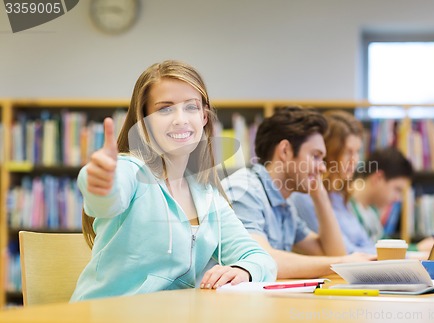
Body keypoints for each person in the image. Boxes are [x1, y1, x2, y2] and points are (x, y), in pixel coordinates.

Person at [71, 60, 276, 301]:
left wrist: (243, 271)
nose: (181, 119)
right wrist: (99, 182)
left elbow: (261, 258)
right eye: (165, 109)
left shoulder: (207, 195)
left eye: (191, 107)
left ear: (204, 117)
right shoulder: (132, 170)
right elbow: (108, 198)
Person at [222, 106, 374, 279]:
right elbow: (261, 261)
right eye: (315, 156)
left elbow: (331, 253)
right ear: (285, 151)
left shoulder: (285, 206)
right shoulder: (245, 189)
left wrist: (320, 197)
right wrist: (341, 263)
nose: (323, 167)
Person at [290, 110, 376, 254]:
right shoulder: (306, 196)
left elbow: (366, 243)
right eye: (348, 152)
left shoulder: (340, 196)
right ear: (329, 153)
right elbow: (346, 253)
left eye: (357, 152)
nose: (355, 160)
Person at [349, 147, 434, 252]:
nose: (397, 198)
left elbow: (382, 244)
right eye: (397, 189)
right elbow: (367, 251)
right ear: (378, 178)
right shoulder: (344, 206)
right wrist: (417, 249)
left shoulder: (371, 210)